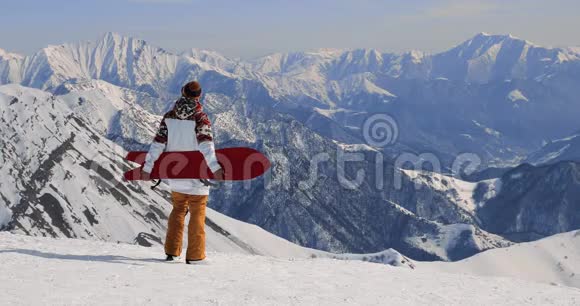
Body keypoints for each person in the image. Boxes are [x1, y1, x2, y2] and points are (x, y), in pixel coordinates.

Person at [141, 81, 224, 264]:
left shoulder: (169, 117)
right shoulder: (201, 117)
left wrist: (148, 167)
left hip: (176, 175)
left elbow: (157, 145)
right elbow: (206, 145)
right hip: (197, 176)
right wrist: (215, 167)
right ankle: (195, 256)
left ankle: (172, 252)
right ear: (199, 96)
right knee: (197, 213)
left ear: (182, 92)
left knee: (178, 211)